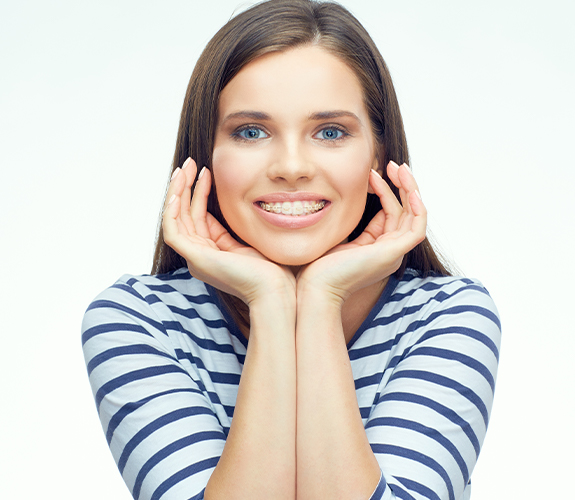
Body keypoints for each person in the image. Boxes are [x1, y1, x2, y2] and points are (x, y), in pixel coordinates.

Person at [81, 1, 501, 499]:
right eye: (251, 132)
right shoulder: (140, 319)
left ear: (379, 154)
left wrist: (320, 302)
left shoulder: (449, 315)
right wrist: (272, 305)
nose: (292, 166)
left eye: (330, 132)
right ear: (204, 154)